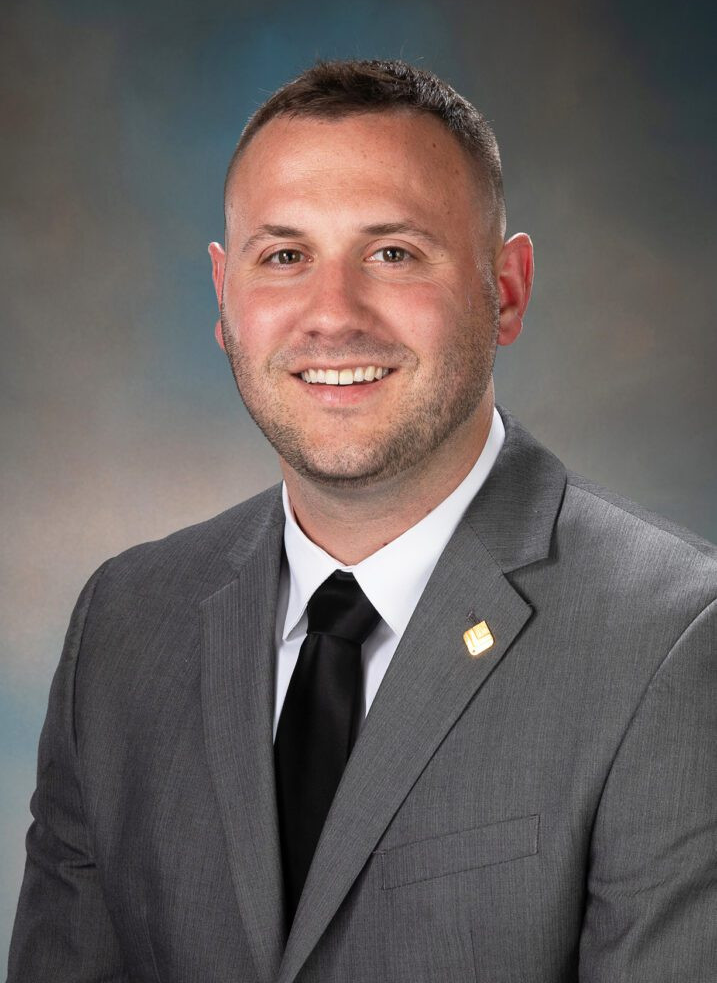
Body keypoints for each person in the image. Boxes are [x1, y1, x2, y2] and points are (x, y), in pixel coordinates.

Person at [7, 59, 716, 983]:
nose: (332, 315)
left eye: (393, 252)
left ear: (504, 289)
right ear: (225, 299)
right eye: (285, 256)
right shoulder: (125, 623)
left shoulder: (672, 639)